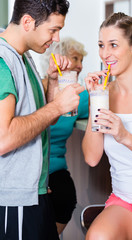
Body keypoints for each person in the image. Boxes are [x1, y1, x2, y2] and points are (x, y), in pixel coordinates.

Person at [0, 0, 85, 240]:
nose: (56, 39)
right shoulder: (3, 62)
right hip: (12, 200)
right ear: (27, 22)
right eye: (53, 30)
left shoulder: (24, 58)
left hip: (34, 192)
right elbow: (3, 138)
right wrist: (58, 105)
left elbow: (39, 122)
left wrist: (53, 83)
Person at [82, 12, 132, 240]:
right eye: (101, 45)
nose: (105, 54)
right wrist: (96, 99)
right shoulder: (103, 94)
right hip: (126, 204)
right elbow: (91, 158)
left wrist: (125, 136)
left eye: (113, 45)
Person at [40, 37, 89, 234]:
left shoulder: (79, 97)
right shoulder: (37, 89)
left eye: (81, 60)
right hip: (30, 172)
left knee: (64, 195)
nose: (79, 66)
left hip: (57, 171)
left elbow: (107, 98)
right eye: (74, 59)